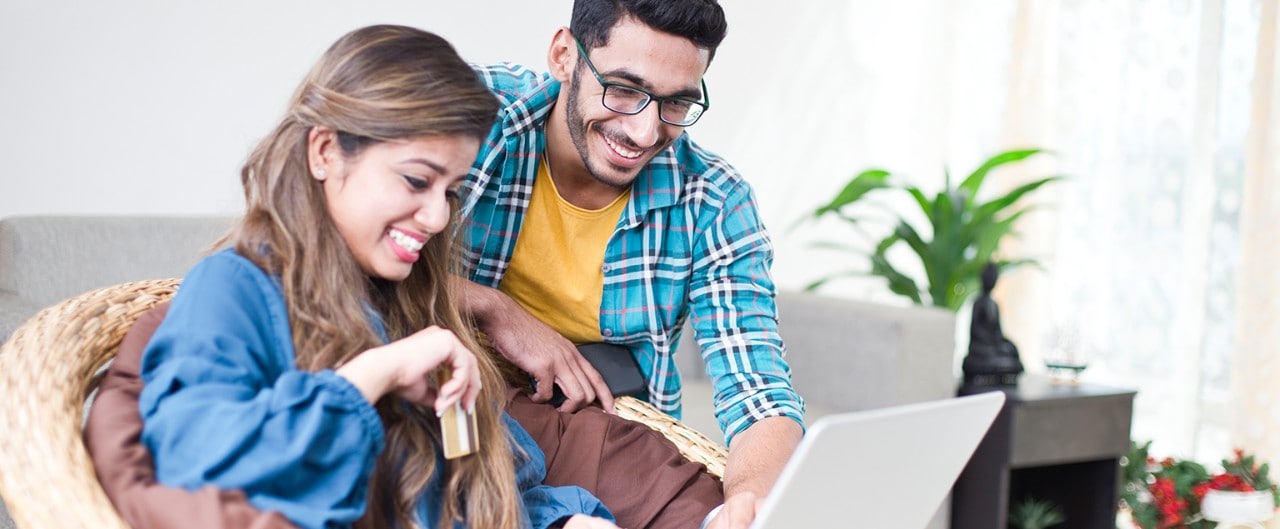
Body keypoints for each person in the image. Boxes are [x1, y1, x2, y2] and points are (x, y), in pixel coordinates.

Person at [125, 24, 618, 529]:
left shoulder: (413, 305)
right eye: (415, 180)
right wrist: (375, 374)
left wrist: (564, 522)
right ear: (325, 153)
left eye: (449, 191)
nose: (437, 218)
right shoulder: (233, 290)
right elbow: (189, 464)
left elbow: (484, 497)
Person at [454, 2, 805, 527]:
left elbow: (757, 389)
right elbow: (322, 244)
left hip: (606, 427)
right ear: (564, 56)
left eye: (677, 104)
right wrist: (490, 306)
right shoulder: (473, 112)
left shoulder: (713, 200)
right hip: (457, 393)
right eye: (623, 89)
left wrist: (750, 500)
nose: (644, 133)